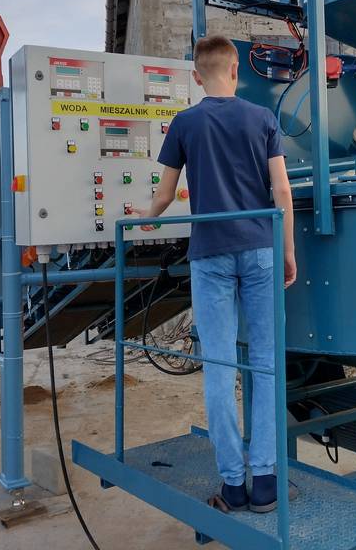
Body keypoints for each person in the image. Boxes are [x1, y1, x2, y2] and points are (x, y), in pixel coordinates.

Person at [131, 33, 296, 513]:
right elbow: (282, 191)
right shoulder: (262, 118)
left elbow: (165, 195)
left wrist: (143, 217)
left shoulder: (184, 123)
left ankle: (233, 485)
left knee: (220, 367)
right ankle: (265, 481)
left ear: (197, 76)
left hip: (210, 255)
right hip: (260, 248)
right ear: (236, 70)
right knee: (265, 363)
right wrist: (288, 250)